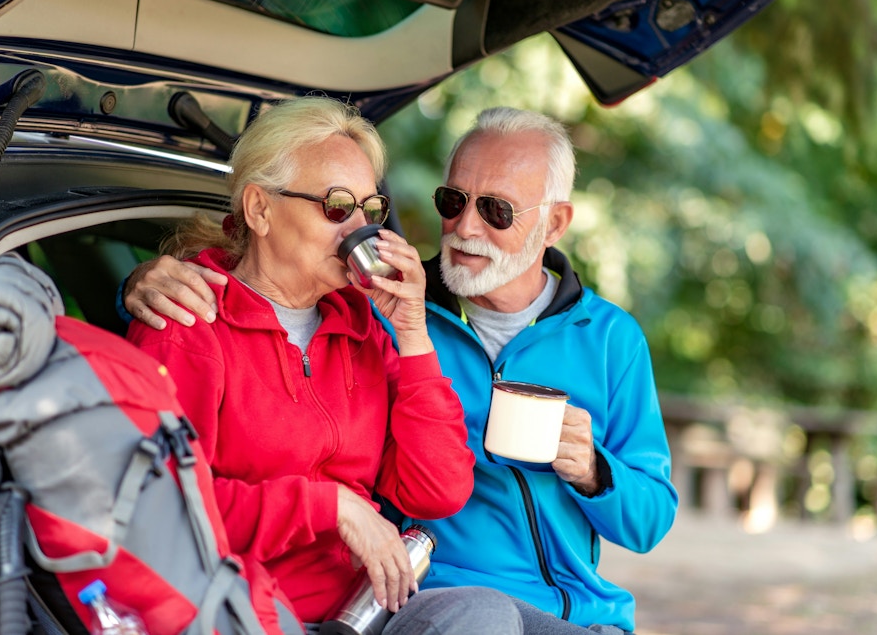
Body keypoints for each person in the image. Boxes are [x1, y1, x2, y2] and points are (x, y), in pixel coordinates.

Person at [124, 106, 678, 634]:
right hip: (388, 597)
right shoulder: (366, 307)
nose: (465, 226)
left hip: (554, 609)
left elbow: (647, 519)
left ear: (554, 224)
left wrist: (594, 471)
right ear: (260, 208)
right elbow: (158, 503)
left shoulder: (602, 338)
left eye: (496, 210)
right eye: (452, 200)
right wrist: (141, 280)